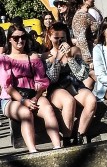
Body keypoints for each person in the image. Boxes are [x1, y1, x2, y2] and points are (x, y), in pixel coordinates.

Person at [0, 25, 63, 153]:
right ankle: (33, 151)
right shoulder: (4, 59)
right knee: (25, 113)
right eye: (16, 38)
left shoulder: (33, 57)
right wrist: (23, 101)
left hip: (33, 94)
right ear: (10, 39)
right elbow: (7, 86)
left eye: (23, 37)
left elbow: (42, 81)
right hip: (11, 99)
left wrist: (35, 97)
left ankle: (58, 147)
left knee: (48, 109)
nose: (20, 40)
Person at [43, 22, 97, 144]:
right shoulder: (46, 56)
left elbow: (82, 75)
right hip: (56, 88)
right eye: (56, 38)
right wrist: (57, 59)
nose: (60, 41)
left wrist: (69, 57)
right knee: (69, 101)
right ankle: (67, 140)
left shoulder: (75, 50)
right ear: (50, 37)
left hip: (74, 85)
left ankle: (79, 136)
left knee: (91, 100)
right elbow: (52, 79)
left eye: (63, 38)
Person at [66, 0, 97, 65]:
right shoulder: (81, 16)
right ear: (84, 0)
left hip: (95, 52)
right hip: (91, 56)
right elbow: (81, 38)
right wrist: (89, 60)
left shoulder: (86, 14)